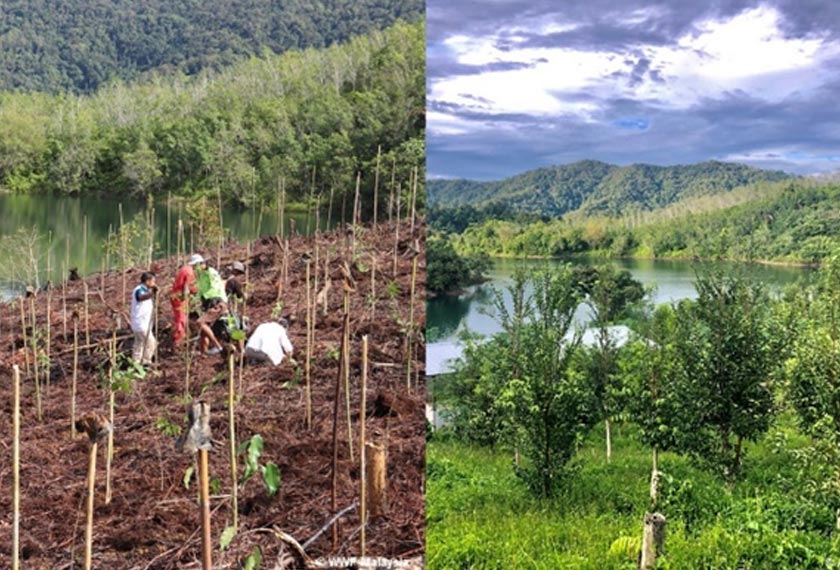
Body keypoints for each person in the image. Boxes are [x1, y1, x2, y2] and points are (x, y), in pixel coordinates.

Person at [194, 258, 228, 355]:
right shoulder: (201, 276)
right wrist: (195, 300)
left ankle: (218, 346)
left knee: (200, 322)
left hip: (217, 302)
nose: (195, 268)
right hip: (209, 302)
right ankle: (203, 352)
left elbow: (214, 288)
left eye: (197, 265)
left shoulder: (211, 273)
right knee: (203, 329)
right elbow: (200, 291)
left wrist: (205, 297)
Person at [171, 254, 201, 346]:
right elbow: (186, 288)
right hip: (180, 298)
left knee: (180, 317)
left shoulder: (185, 269)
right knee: (181, 319)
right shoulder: (189, 272)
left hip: (177, 297)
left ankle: (182, 336)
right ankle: (178, 340)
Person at [131, 272, 158, 365]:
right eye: (153, 281)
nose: (154, 283)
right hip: (141, 323)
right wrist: (152, 294)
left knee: (139, 343)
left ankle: (136, 362)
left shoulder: (145, 290)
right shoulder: (139, 290)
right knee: (151, 343)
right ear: (147, 281)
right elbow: (140, 297)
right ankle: (146, 362)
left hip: (142, 323)